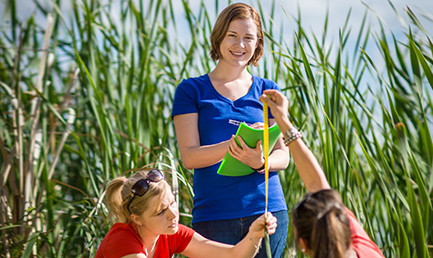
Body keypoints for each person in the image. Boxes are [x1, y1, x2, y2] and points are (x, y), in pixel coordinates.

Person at [171, 3, 289, 257]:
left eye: (248, 37)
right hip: (214, 217)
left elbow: (284, 156)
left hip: (268, 212)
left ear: (258, 43)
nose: (240, 45)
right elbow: (190, 157)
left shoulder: (268, 89)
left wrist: (260, 161)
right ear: (219, 37)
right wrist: (234, 146)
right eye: (232, 36)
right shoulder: (191, 90)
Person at [260, 89, 385, 258]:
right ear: (342, 228)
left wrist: (282, 119)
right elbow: (317, 186)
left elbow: (317, 185)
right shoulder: (366, 250)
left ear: (303, 244)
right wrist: (283, 120)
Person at [95, 168, 277, 258]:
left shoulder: (171, 233)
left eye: (173, 203)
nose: (173, 214)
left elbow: (233, 255)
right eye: (160, 212)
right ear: (137, 219)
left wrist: (254, 235)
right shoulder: (122, 241)